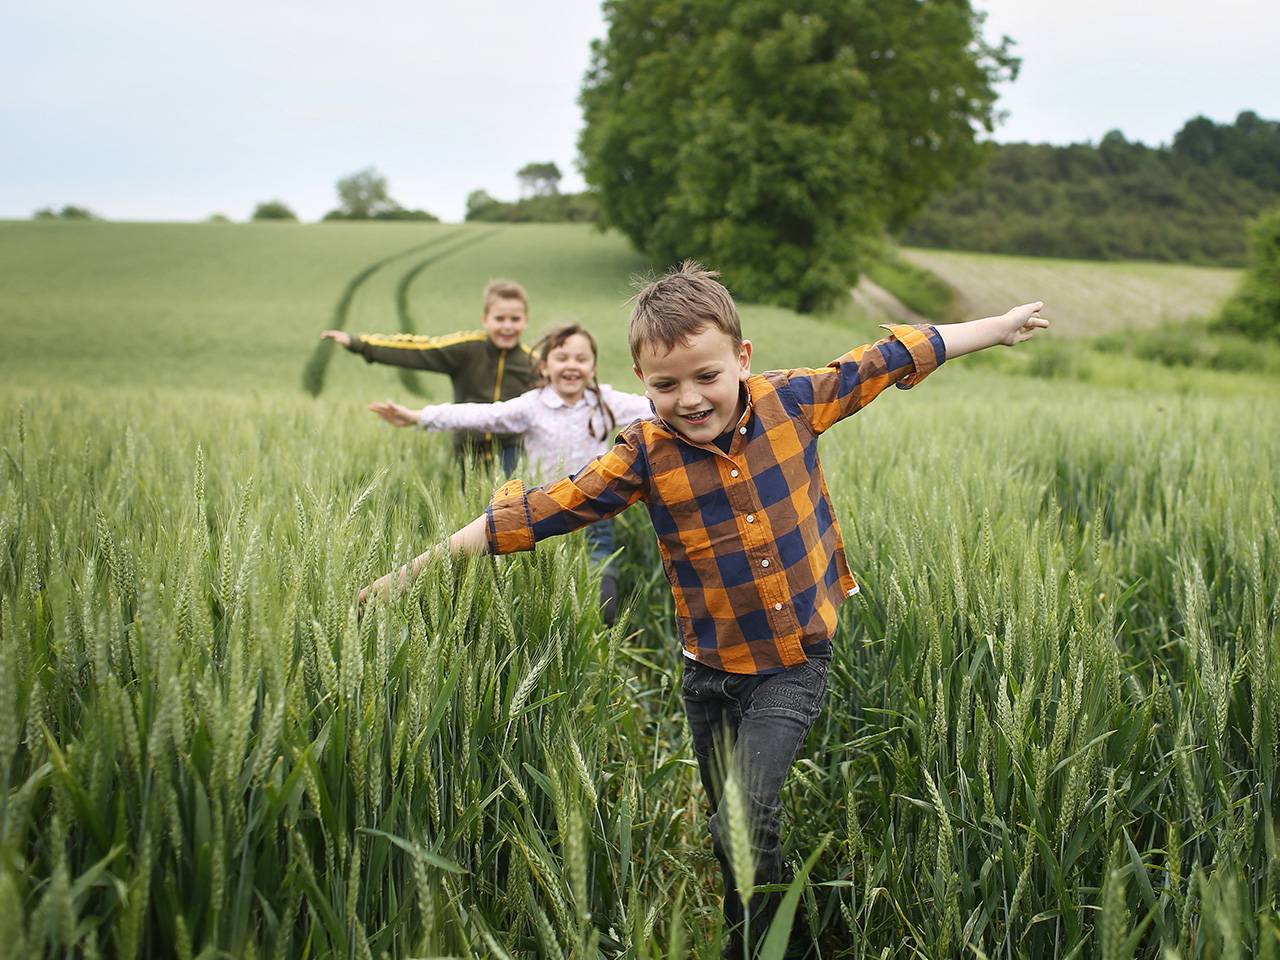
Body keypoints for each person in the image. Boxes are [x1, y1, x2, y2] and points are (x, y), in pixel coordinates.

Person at [363, 262, 1049, 957]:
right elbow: (539, 513)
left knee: (745, 819)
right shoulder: (642, 455)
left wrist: (995, 328)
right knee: (728, 827)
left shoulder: (793, 400)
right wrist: (407, 573)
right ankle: (746, 940)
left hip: (792, 661)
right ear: (641, 381)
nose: (689, 399)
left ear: (741, 360)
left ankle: (789, 947)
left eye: (706, 377)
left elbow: (892, 356)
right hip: (709, 673)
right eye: (664, 385)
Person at [367, 322, 653, 626]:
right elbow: (482, 414)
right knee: (543, 596)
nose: (572, 366)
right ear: (544, 366)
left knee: (602, 603)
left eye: (581, 359)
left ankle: (599, 637)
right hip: (543, 515)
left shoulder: (604, 402)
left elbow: (652, 406)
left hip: (595, 516)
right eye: (562, 358)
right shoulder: (532, 406)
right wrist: (420, 417)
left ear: (593, 366)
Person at [320, 279, 538, 473]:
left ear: (525, 321)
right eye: (499, 318)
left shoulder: (534, 363)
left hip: (513, 453)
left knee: (514, 513)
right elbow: (417, 349)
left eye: (515, 319)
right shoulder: (466, 349)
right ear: (485, 319)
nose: (507, 326)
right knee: (472, 513)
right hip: (467, 450)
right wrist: (360, 344)